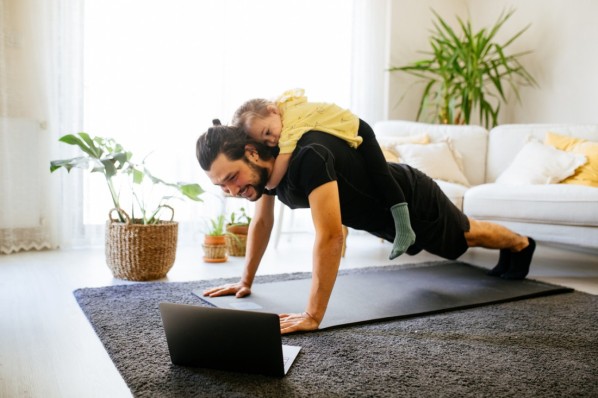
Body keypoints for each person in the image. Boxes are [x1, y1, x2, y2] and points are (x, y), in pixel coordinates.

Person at [195, 122, 536, 335]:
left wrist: (312, 315)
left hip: (411, 198)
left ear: (252, 153)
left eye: (231, 178)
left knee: (464, 237)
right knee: (458, 239)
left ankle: (521, 244)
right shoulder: (265, 175)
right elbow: (263, 221)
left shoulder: (308, 157)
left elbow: (330, 236)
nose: (232, 190)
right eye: (222, 186)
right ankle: (514, 247)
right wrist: (244, 281)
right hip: (381, 219)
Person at [231, 89, 415, 260]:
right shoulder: (280, 113)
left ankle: (404, 228)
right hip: (340, 132)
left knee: (381, 175)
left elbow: (275, 178)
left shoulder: (290, 127)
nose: (272, 140)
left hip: (359, 129)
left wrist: (267, 185)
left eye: (268, 132)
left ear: (272, 111)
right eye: (265, 141)